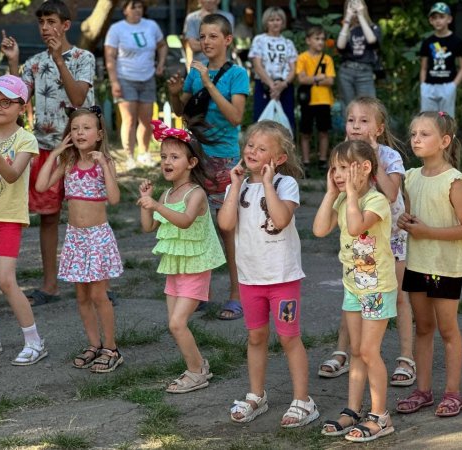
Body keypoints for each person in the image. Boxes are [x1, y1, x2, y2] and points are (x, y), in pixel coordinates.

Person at [218, 120, 319, 427]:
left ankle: (304, 400)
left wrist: (266, 183)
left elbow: (281, 218)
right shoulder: (234, 187)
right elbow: (225, 224)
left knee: (289, 338)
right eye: (250, 145)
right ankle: (256, 395)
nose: (252, 151)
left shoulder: (285, 185)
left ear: (279, 159)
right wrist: (235, 186)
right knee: (255, 336)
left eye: (262, 149)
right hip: (250, 279)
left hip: (282, 279)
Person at [1, 0, 96, 307]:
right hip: (46, 149)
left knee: (88, 217)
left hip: (82, 150)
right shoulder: (34, 62)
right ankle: (51, 284)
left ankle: (96, 283)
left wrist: (59, 60)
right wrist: (14, 62)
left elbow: (78, 96)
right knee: (49, 217)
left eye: (51, 22)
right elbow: (18, 98)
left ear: (65, 25)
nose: (45, 28)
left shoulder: (83, 58)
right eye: (41, 22)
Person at [318, 97, 415, 386]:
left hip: (390, 239)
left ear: (379, 128)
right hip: (358, 241)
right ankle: (343, 351)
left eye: (364, 121)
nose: (356, 125)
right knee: (353, 298)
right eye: (351, 120)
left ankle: (406, 357)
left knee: (397, 295)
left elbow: (392, 194)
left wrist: (373, 157)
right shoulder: (344, 155)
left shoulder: (389, 156)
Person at [314, 140, 396, 442]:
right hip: (353, 289)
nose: (337, 174)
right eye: (334, 168)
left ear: (365, 168)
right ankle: (352, 409)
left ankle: (380, 416)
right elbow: (319, 229)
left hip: (377, 289)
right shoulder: (340, 199)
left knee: (368, 351)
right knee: (356, 351)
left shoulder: (376, 201)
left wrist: (349, 196)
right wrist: (331, 193)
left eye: (344, 168)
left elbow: (354, 227)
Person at [167, 13, 248, 320]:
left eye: (213, 36)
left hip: (224, 160)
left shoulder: (237, 74)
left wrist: (207, 83)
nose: (206, 42)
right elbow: (182, 112)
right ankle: (198, 292)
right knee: (197, 226)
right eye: (202, 36)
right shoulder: (195, 71)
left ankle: (236, 294)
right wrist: (175, 93)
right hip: (195, 157)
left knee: (227, 227)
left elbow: (236, 117)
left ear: (227, 40)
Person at [396, 111, 462, 417]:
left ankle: (453, 392)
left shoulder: (455, 181)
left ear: (444, 141)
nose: (416, 139)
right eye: (413, 133)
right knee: (423, 327)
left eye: (424, 134)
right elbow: (413, 216)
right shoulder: (411, 177)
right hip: (417, 264)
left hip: (445, 268)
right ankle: (423, 391)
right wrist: (405, 220)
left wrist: (427, 231)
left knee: (447, 329)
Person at [138, 120, 225, 392]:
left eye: (174, 156)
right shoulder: (166, 193)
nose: (167, 161)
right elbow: (148, 226)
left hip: (197, 264)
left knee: (177, 324)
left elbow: (185, 220)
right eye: (163, 156)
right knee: (174, 324)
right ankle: (199, 364)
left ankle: (195, 371)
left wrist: (156, 206)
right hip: (175, 266)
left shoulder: (195, 193)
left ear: (191, 163)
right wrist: (147, 200)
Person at [35, 105, 123, 373]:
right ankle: (94, 344)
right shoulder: (69, 162)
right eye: (75, 128)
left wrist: (104, 166)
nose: (80, 132)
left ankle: (112, 348)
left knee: (98, 295)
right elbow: (40, 186)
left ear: (98, 133)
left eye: (86, 128)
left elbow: (115, 198)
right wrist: (55, 154)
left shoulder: (104, 163)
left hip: (97, 238)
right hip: (75, 239)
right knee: (82, 296)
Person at [0, 75, 47, 365]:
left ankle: (34, 341)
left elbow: (13, 174)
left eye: (5, 101)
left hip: (8, 219)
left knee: (6, 279)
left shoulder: (26, 139)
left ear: (21, 106)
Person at [104, 0, 168, 170]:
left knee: (146, 120)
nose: (137, 10)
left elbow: (162, 45)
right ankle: (129, 156)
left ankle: (144, 153)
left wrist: (160, 63)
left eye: (140, 7)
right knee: (129, 119)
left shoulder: (151, 26)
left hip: (147, 78)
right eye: (133, 7)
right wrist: (114, 81)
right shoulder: (117, 29)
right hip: (125, 78)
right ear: (124, 10)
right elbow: (110, 57)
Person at [249, 7, 297, 132]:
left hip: (285, 87)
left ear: (283, 22)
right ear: (266, 22)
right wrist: (272, 86)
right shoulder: (259, 40)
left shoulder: (288, 43)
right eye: (271, 20)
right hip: (264, 85)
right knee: (261, 124)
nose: (275, 23)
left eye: (278, 19)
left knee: (286, 124)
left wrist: (283, 85)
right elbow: (257, 65)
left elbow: (293, 69)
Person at [296, 25, 336, 175]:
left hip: (324, 100)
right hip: (308, 101)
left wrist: (312, 80)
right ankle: (305, 162)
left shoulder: (327, 59)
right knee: (305, 132)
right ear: (308, 40)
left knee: (323, 131)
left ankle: (322, 160)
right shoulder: (302, 58)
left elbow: (330, 81)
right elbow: (301, 79)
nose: (320, 42)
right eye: (317, 39)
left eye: (322, 39)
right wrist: (319, 78)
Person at [419, 2, 462, 118]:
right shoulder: (427, 42)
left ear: (449, 19)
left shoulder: (456, 41)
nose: (438, 21)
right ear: (430, 21)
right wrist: (423, 86)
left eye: (441, 17)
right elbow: (423, 67)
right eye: (434, 17)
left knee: (446, 120)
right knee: (427, 120)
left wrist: (453, 86)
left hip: (447, 86)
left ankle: (447, 137)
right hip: (429, 87)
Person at [336, 0, 382, 116]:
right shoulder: (347, 29)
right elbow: (340, 46)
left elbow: (372, 41)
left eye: (357, 5)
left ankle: (368, 134)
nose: (355, 9)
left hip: (365, 71)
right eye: (351, 6)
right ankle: (351, 133)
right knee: (348, 108)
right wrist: (347, 19)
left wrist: (361, 16)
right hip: (346, 71)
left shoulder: (373, 27)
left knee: (369, 107)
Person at [183, 0, 234, 65]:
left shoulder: (228, 17)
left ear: (218, 1)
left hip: (223, 65)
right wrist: (217, 43)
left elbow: (227, 43)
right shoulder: (191, 18)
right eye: (202, 37)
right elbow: (193, 46)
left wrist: (201, 44)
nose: (208, 0)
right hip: (200, 65)